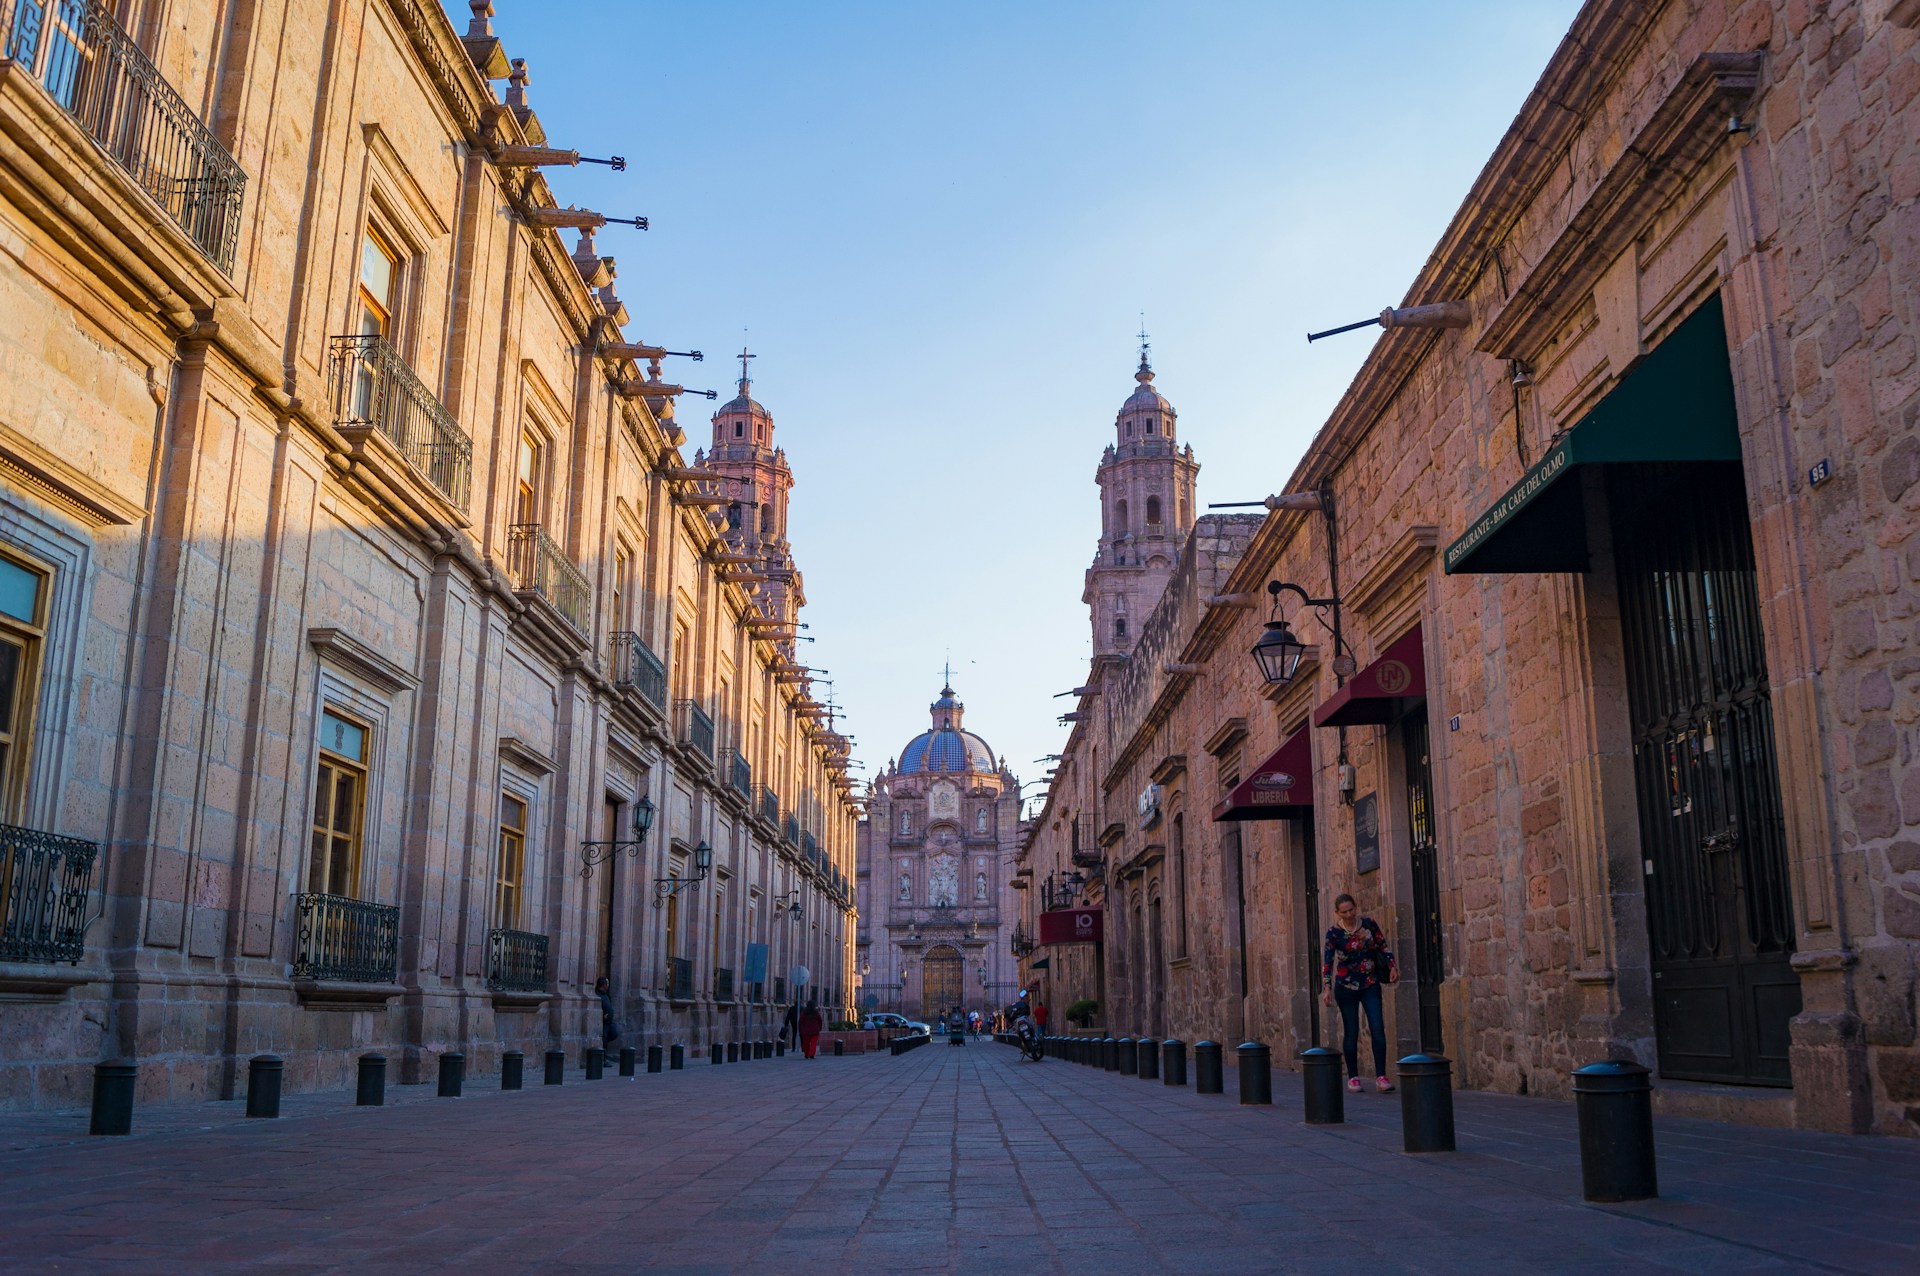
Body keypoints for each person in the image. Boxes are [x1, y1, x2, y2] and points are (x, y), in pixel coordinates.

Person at [1322, 892, 1397, 1093]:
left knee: (1377, 1028)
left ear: (1356, 907)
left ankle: (1381, 1076)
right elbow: (1327, 962)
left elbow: (1383, 946)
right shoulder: (1333, 934)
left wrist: (1392, 966)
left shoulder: (1368, 924)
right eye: (1344, 911)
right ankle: (1353, 1077)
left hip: (1370, 983)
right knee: (1352, 1030)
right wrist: (1327, 988)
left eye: (1352, 909)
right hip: (1346, 987)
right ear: (1337, 912)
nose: (1349, 914)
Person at [595, 976, 620, 1048]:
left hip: (609, 1022)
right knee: (604, 1039)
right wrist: (602, 1016)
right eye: (607, 983)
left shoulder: (605, 994)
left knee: (614, 1033)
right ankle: (603, 1055)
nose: (608, 985)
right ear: (604, 985)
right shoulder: (597, 994)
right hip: (604, 1023)